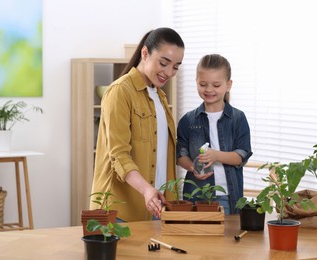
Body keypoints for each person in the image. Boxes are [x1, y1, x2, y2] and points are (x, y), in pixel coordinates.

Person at [90, 27, 185, 222]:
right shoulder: (119, 92)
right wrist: (146, 190)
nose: (168, 72)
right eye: (164, 63)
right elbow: (119, 155)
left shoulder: (160, 96)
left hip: (155, 207)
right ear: (145, 53)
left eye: (175, 67)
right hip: (120, 212)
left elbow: (162, 153)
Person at [177, 54, 252, 214]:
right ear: (196, 83)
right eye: (203, 84)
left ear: (228, 85)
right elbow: (181, 154)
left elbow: (241, 156)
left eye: (216, 85)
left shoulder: (238, 118)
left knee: (226, 237)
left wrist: (215, 155)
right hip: (197, 194)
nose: (209, 90)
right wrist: (193, 167)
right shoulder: (187, 120)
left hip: (228, 195)